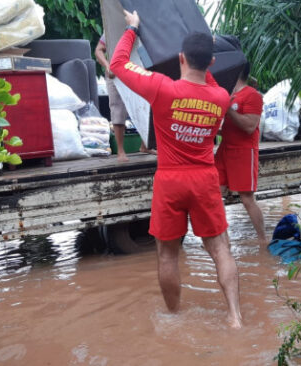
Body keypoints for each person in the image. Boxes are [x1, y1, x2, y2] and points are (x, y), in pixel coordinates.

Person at [110, 10, 242, 329]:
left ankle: (173, 317)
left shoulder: (161, 88)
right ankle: (235, 317)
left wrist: (133, 30)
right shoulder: (221, 97)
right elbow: (206, 78)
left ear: (180, 58)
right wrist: (204, 56)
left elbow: (116, 65)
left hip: (170, 180)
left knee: (167, 255)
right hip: (204, 179)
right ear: (211, 63)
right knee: (221, 249)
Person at [215, 62, 266, 245]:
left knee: (246, 199)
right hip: (224, 150)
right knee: (213, 194)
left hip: (243, 152)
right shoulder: (230, 95)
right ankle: (222, 240)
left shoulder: (252, 95)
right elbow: (228, 127)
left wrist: (228, 109)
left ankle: (262, 239)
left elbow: (250, 126)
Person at [95, 33, 154, 162]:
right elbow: (98, 50)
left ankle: (145, 145)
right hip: (115, 73)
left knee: (145, 106)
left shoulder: (142, 30)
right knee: (118, 109)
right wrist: (107, 65)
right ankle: (120, 151)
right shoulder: (111, 28)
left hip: (137, 71)